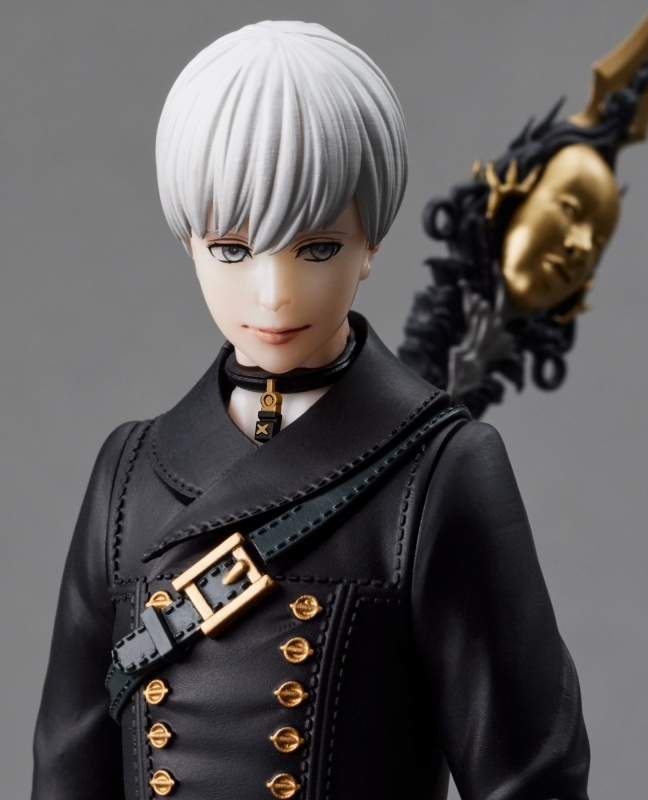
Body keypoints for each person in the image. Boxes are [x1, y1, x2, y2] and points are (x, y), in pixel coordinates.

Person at [32, 21, 589, 800]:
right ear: (188, 242)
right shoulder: (127, 477)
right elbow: (66, 771)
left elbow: (530, 778)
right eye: (232, 249)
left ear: (371, 245)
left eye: (317, 247)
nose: (274, 294)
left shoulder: (441, 470)